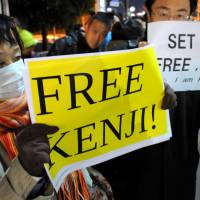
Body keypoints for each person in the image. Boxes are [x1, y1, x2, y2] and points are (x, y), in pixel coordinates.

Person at [144, 0, 199, 200]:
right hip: (134, 181)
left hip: (181, 178)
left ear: (190, 17)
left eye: (180, 15)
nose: (171, 22)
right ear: (149, 13)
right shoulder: (121, 59)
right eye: (163, 13)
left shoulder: (196, 62)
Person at [0, 14, 59, 199]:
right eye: (0, 64)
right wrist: (25, 171)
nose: (13, 70)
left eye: (17, 57)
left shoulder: (39, 104)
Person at [48, 12, 112, 56]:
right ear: (86, 27)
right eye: (95, 32)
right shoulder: (63, 45)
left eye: (103, 35)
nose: (98, 38)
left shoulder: (103, 52)